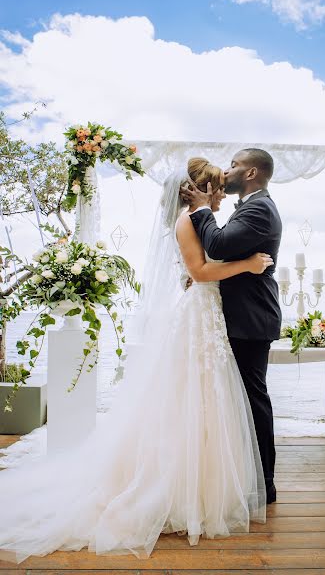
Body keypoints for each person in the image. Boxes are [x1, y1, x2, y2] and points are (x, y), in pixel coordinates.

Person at [0, 157, 273, 565]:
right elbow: (200, 272)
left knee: (209, 402)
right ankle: (177, 487)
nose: (218, 195)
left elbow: (199, 267)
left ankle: (207, 482)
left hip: (209, 317)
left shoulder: (196, 220)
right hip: (200, 318)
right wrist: (249, 265)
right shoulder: (188, 220)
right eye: (214, 188)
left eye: (219, 188)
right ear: (195, 191)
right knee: (195, 398)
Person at [180, 148, 282, 504]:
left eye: (235, 165)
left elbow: (220, 244)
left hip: (250, 318)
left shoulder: (259, 208)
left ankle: (263, 484)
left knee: (253, 400)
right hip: (234, 316)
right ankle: (242, 474)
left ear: (251, 173)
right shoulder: (251, 206)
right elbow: (214, 255)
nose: (228, 170)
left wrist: (203, 209)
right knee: (233, 399)